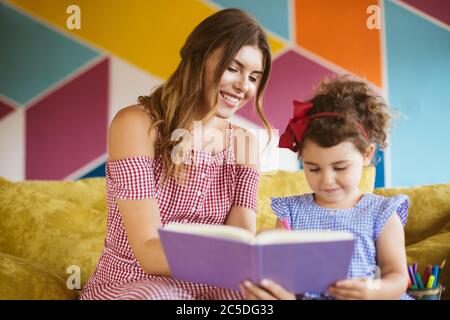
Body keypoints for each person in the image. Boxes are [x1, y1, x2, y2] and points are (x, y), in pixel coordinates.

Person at [80, 8, 273, 300]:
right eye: (233, 68)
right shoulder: (136, 125)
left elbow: (240, 238)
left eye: (254, 76)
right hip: (135, 284)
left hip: (214, 289)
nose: (243, 86)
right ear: (198, 58)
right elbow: (148, 250)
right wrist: (236, 259)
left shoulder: (245, 143)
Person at [240, 76, 412, 300]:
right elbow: (279, 275)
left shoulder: (382, 213)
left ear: (366, 154)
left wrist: (373, 291)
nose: (327, 180)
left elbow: (398, 278)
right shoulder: (291, 211)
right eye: (313, 168)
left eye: (340, 167)